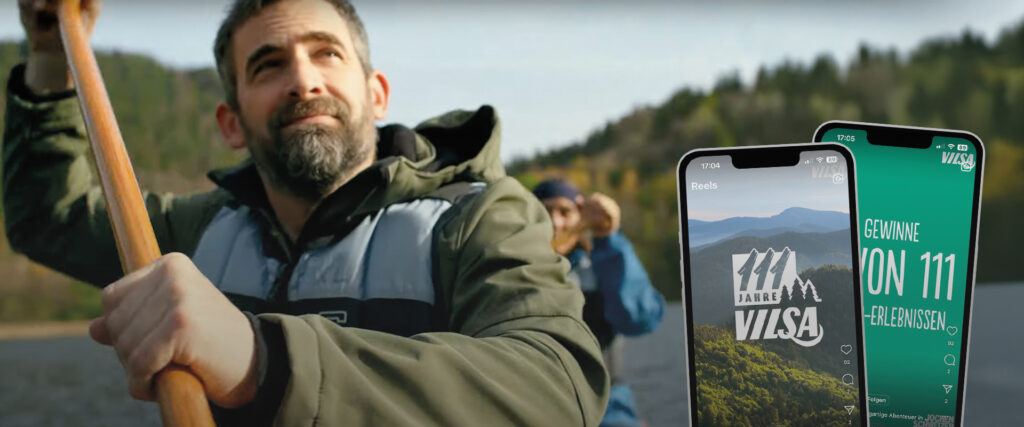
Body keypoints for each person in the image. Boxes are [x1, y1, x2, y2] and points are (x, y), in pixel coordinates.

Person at [5, 0, 608, 425]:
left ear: (376, 95)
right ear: (231, 123)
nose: (303, 80)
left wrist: (263, 360)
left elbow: (558, 389)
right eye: (268, 65)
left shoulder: (478, 217)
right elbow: (48, 216)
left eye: (326, 54)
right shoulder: (192, 232)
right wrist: (49, 57)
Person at [532, 179, 665, 427]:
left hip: (606, 405)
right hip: (536, 405)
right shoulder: (517, 272)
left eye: (564, 211)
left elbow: (639, 319)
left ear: (581, 213)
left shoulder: (602, 263)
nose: (555, 222)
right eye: (543, 211)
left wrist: (608, 237)